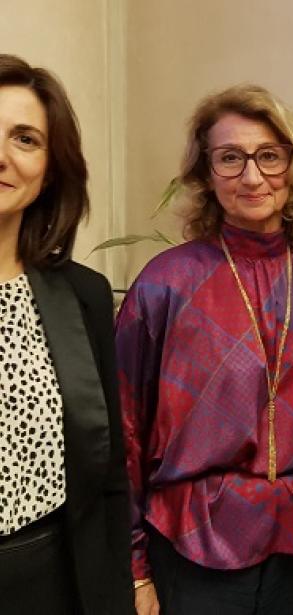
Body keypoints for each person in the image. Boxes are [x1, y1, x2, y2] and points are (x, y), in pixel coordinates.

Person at [117, 84, 293, 615]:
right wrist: (135, 572)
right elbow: (123, 434)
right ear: (205, 173)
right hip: (191, 544)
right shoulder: (166, 284)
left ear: (292, 168)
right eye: (230, 158)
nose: (252, 176)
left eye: (269, 156)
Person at [0, 54, 133, 614]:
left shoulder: (84, 296)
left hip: (54, 580)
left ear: (50, 168)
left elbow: (108, 476)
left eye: (25, 138)